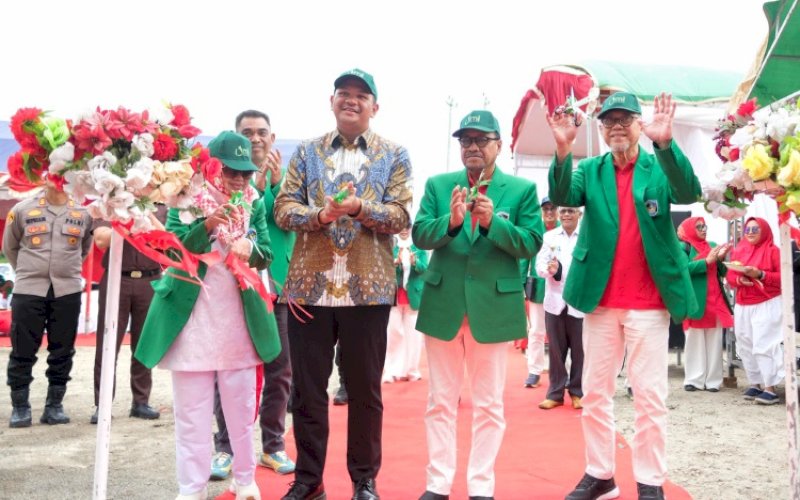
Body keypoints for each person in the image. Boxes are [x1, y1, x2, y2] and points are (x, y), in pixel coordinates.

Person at [547, 91, 701, 500]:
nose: (617, 126)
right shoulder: (590, 170)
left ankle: (650, 481)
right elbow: (563, 195)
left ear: (638, 124)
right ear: (600, 128)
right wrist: (563, 148)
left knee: (650, 396)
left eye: (625, 119)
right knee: (595, 392)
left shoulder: (657, 164)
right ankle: (600, 474)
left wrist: (666, 143)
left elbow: (688, 192)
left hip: (649, 302)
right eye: (609, 120)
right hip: (599, 300)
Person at [273, 68, 413, 500]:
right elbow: (282, 209)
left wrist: (358, 208)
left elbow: (402, 215)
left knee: (365, 394)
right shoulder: (306, 153)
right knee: (308, 392)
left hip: (367, 291)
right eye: (343, 94)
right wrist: (320, 216)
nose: (351, 100)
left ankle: (364, 481)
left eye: (361, 95)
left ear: (375, 106)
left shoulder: (394, 154)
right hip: (309, 289)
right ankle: (309, 479)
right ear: (331, 100)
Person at [135, 131, 281, 500]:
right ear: (211, 167)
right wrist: (210, 224)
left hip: (239, 320)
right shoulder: (185, 198)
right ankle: (191, 488)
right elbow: (173, 250)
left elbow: (266, 252)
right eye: (231, 171)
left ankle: (245, 479)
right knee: (191, 415)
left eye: (246, 173)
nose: (239, 179)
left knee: (242, 409)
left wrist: (252, 248)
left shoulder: (255, 202)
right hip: (192, 321)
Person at [413, 110, 543, 500]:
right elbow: (420, 234)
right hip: (443, 304)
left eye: (481, 139)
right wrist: (451, 224)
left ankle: (481, 486)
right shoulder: (439, 186)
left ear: (498, 146)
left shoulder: (521, 191)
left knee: (488, 404)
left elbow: (531, 243)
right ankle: (437, 483)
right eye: (465, 141)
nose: (472, 147)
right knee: (440, 402)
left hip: (493, 307)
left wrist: (492, 225)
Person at [210, 110, 297, 481]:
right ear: (237, 138)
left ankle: (273, 445)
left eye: (262, 132)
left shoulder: (290, 177)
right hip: (229, 288)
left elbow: (292, 221)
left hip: (275, 286)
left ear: (272, 138)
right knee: (226, 369)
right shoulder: (219, 183)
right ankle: (225, 447)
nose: (256, 138)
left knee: (279, 370)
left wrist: (274, 187)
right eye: (248, 133)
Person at [3, 181, 93, 428]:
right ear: (45, 177)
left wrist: (66, 271)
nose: (60, 181)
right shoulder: (22, 209)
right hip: (29, 290)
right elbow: (9, 248)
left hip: (67, 290)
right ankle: (20, 408)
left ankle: (54, 406)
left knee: (63, 350)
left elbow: (84, 249)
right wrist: (29, 271)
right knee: (23, 349)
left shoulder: (83, 213)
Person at [90, 206, 167, 424]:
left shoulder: (160, 207)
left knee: (144, 342)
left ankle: (141, 401)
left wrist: (145, 212)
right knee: (107, 343)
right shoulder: (110, 204)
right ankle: (102, 402)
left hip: (150, 280)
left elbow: (166, 240)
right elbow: (101, 239)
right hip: (117, 278)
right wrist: (125, 216)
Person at [725, 217, 783, 405]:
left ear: (764, 230)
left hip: (766, 302)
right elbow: (731, 275)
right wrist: (739, 280)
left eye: (755, 229)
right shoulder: (740, 250)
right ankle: (755, 383)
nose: (750, 232)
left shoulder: (774, 251)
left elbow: (784, 278)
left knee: (764, 344)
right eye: (747, 229)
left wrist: (760, 274)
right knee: (745, 344)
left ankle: (770, 388)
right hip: (743, 304)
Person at [535, 206, 585, 410]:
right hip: (555, 301)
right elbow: (540, 266)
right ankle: (555, 393)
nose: (566, 214)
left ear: (579, 214)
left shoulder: (587, 236)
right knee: (556, 349)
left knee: (581, 351)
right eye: (563, 211)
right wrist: (550, 270)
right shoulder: (549, 237)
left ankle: (578, 392)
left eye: (571, 211)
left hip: (580, 301)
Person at [677, 216, 733, 393]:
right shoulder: (683, 247)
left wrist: (720, 259)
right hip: (695, 301)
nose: (703, 229)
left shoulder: (712, 244)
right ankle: (694, 380)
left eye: (704, 225)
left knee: (715, 341)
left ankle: (713, 381)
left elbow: (722, 272)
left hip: (715, 300)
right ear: (690, 229)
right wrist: (706, 261)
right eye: (699, 226)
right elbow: (682, 270)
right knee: (694, 340)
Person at [519, 196, 559, 388]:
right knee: (536, 331)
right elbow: (524, 258)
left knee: (561, 333)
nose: (549, 213)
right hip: (538, 288)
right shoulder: (535, 231)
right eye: (546, 209)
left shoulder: (565, 228)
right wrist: (520, 283)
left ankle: (561, 371)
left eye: (552, 208)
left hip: (561, 289)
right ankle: (534, 370)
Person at [383, 226, 428, 383]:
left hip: (413, 297)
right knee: (393, 334)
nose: (404, 230)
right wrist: (395, 263)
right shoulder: (390, 247)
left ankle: (412, 371)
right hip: (394, 296)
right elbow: (383, 269)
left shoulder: (419, 247)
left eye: (407, 227)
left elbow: (425, 270)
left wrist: (415, 262)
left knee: (414, 337)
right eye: (401, 227)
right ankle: (390, 371)